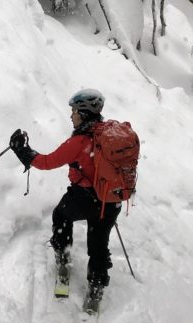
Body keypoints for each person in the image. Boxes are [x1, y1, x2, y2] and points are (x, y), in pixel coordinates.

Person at [9, 89, 121, 310]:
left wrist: (22, 151)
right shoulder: (109, 134)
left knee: (61, 215)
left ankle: (63, 261)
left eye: (74, 111)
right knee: (98, 246)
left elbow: (47, 162)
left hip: (85, 198)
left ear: (84, 113)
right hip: (111, 201)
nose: (71, 116)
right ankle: (95, 294)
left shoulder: (80, 142)